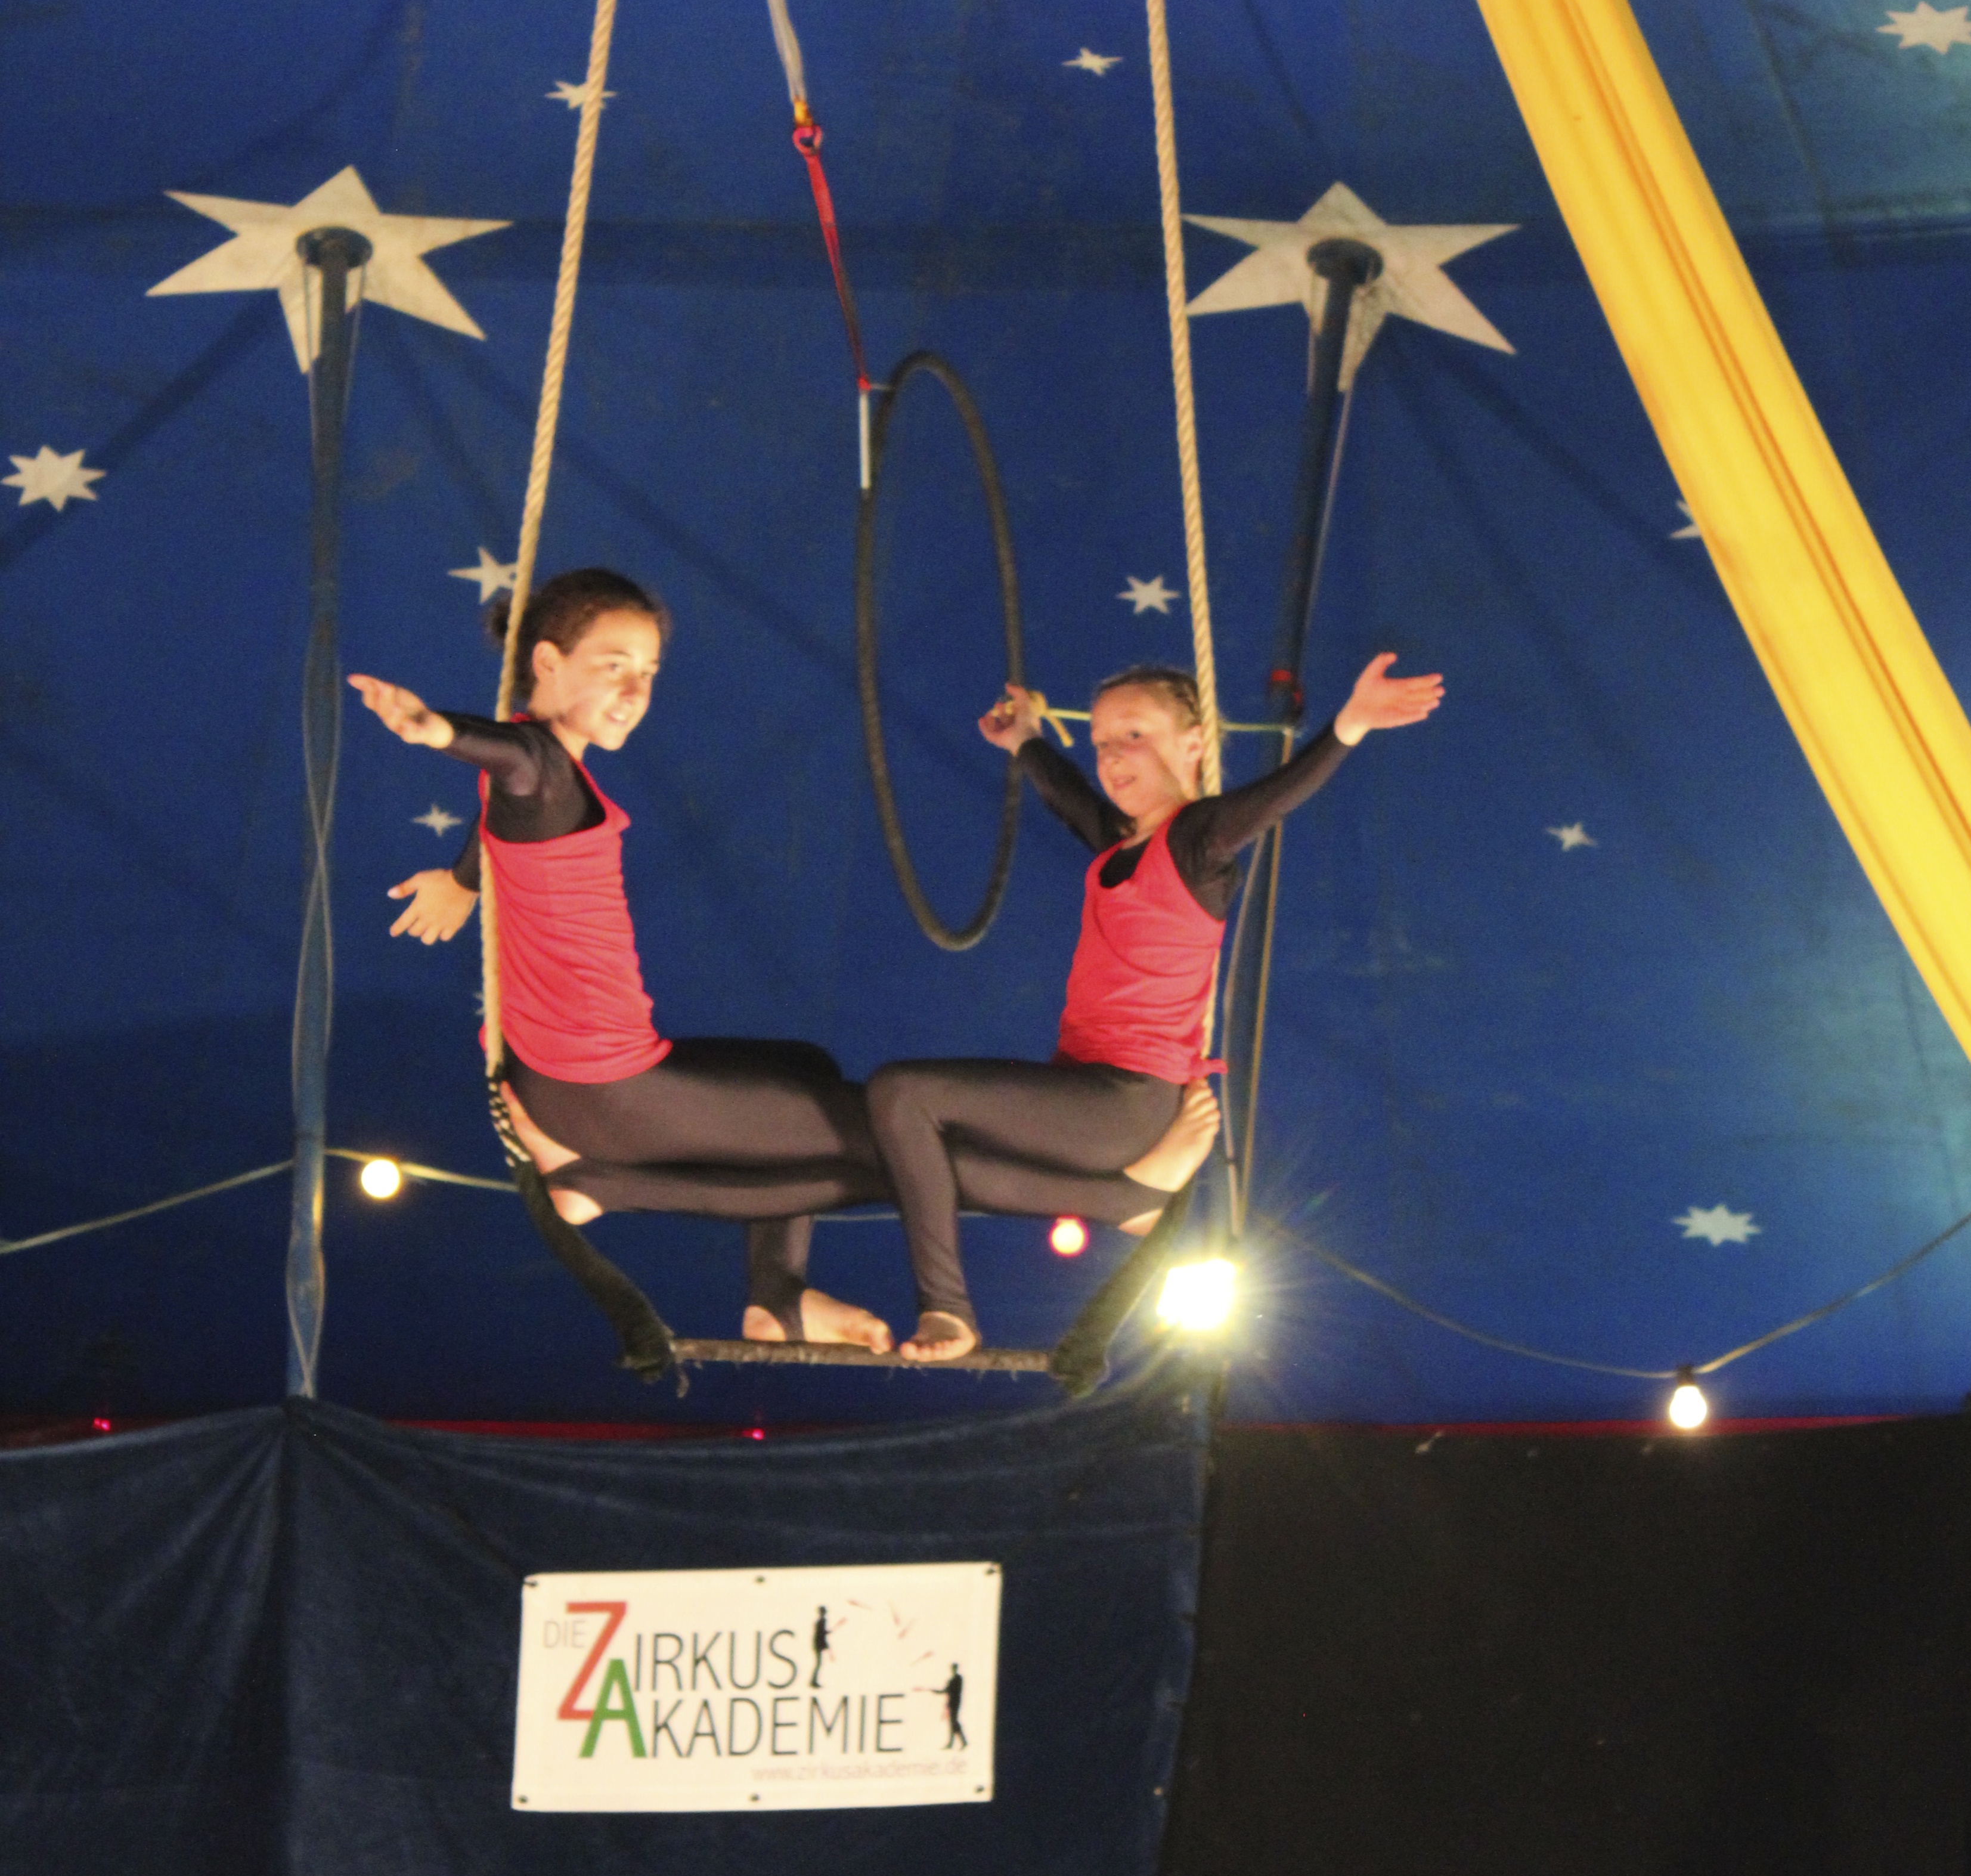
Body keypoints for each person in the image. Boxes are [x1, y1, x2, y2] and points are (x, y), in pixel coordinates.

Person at [353, 568, 1208, 1353]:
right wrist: (436, 730)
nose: (635, 692)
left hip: (584, 1078)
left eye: (648, 673)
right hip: (603, 1093)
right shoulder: (536, 760)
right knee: (887, 1139)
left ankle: (778, 1297)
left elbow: (507, 788)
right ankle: (1124, 1200)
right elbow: (505, 758)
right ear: (547, 662)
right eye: (614, 668)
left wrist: (462, 880)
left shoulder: (542, 771)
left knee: (804, 1067)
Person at [865, 650, 1444, 1361]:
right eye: (1103, 741)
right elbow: (1071, 798)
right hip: (1086, 1087)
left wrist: (1349, 724)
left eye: (1135, 735)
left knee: (904, 1093)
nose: (1113, 755)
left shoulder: (1197, 840)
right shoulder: (1121, 842)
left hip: (1124, 1100)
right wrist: (1025, 741)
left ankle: (950, 1312)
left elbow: (1276, 798)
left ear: (1194, 744)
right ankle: (1127, 1201)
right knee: (926, 1156)